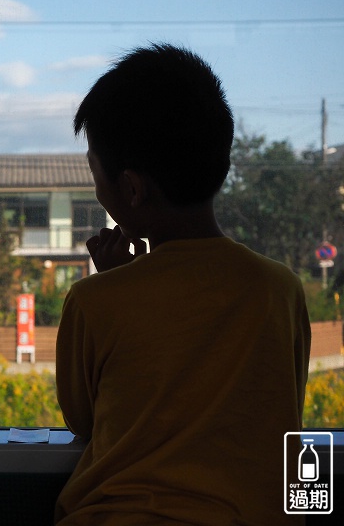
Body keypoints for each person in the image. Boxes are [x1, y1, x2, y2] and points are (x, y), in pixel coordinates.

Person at [54, 44, 310, 525]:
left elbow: (85, 421)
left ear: (131, 188)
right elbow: (281, 416)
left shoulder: (96, 300)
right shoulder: (280, 289)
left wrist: (115, 283)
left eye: (94, 172)